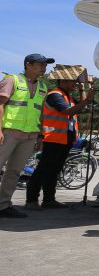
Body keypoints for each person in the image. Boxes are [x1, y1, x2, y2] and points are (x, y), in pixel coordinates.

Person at [26, 65, 94, 210]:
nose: (76, 84)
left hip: (64, 139)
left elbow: (83, 109)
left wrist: (83, 90)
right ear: (62, 81)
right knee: (43, 169)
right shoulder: (55, 95)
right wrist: (87, 99)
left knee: (54, 170)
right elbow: (69, 111)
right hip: (53, 138)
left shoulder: (67, 96)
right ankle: (31, 200)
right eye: (73, 81)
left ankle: (49, 199)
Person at [0, 54, 54, 218]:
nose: (44, 67)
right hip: (8, 131)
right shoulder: (12, 80)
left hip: (30, 135)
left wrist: (40, 136)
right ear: (27, 65)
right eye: (40, 64)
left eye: (45, 65)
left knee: (14, 171)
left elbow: (40, 113)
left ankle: (3, 205)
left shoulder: (43, 87)